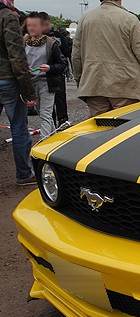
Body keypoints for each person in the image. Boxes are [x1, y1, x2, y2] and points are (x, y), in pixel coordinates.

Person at [72, 0, 140, 117]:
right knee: (126, 130)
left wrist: (81, 80)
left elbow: (76, 55)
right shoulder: (129, 19)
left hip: (94, 85)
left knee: (99, 131)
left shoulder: (85, 19)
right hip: (125, 86)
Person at [0, 0, 38, 185]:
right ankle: (24, 174)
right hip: (7, 79)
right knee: (19, 128)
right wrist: (29, 92)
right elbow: (16, 56)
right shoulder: (7, 16)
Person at [24, 12, 66, 139]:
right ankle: (55, 139)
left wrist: (50, 68)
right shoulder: (23, 43)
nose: (31, 28)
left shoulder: (51, 44)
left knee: (45, 114)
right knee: (42, 114)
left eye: (35, 25)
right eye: (29, 25)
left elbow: (62, 64)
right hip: (31, 84)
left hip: (47, 84)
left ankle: (44, 145)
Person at [40, 11, 69, 127]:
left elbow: (67, 52)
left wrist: (59, 45)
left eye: (47, 24)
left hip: (57, 71)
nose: (46, 27)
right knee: (47, 103)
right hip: (43, 74)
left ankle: (63, 120)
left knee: (60, 96)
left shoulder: (57, 35)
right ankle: (50, 124)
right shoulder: (34, 38)